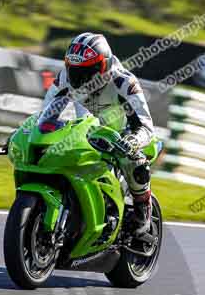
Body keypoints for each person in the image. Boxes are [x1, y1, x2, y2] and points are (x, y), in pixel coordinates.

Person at [41, 32, 157, 238]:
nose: (80, 79)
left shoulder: (124, 83)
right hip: (84, 132)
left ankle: (143, 214)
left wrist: (131, 141)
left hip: (122, 135)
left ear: (103, 66)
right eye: (75, 71)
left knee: (135, 161)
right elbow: (45, 116)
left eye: (87, 72)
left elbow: (146, 128)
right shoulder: (65, 79)